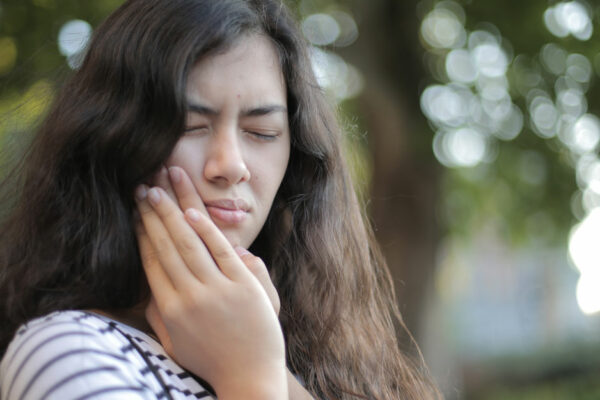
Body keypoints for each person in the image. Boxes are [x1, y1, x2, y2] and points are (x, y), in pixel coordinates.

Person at [0, 0, 441, 399]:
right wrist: (248, 376)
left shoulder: (318, 362)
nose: (230, 165)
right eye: (191, 125)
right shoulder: (68, 353)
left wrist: (262, 360)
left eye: (261, 133)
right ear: (112, 141)